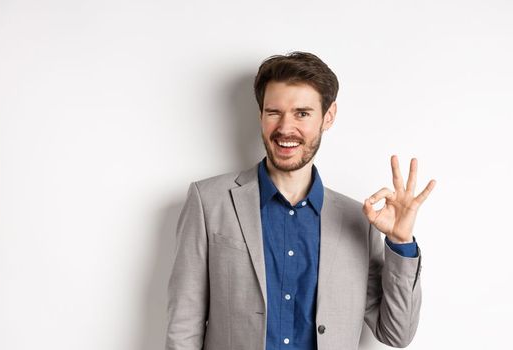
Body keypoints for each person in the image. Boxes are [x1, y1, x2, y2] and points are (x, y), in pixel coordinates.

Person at [165, 51, 436, 350]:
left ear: (328, 117)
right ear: (260, 115)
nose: (285, 128)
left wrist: (400, 241)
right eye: (274, 112)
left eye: (302, 113)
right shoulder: (208, 202)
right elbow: (183, 326)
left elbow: (397, 334)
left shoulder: (359, 219)